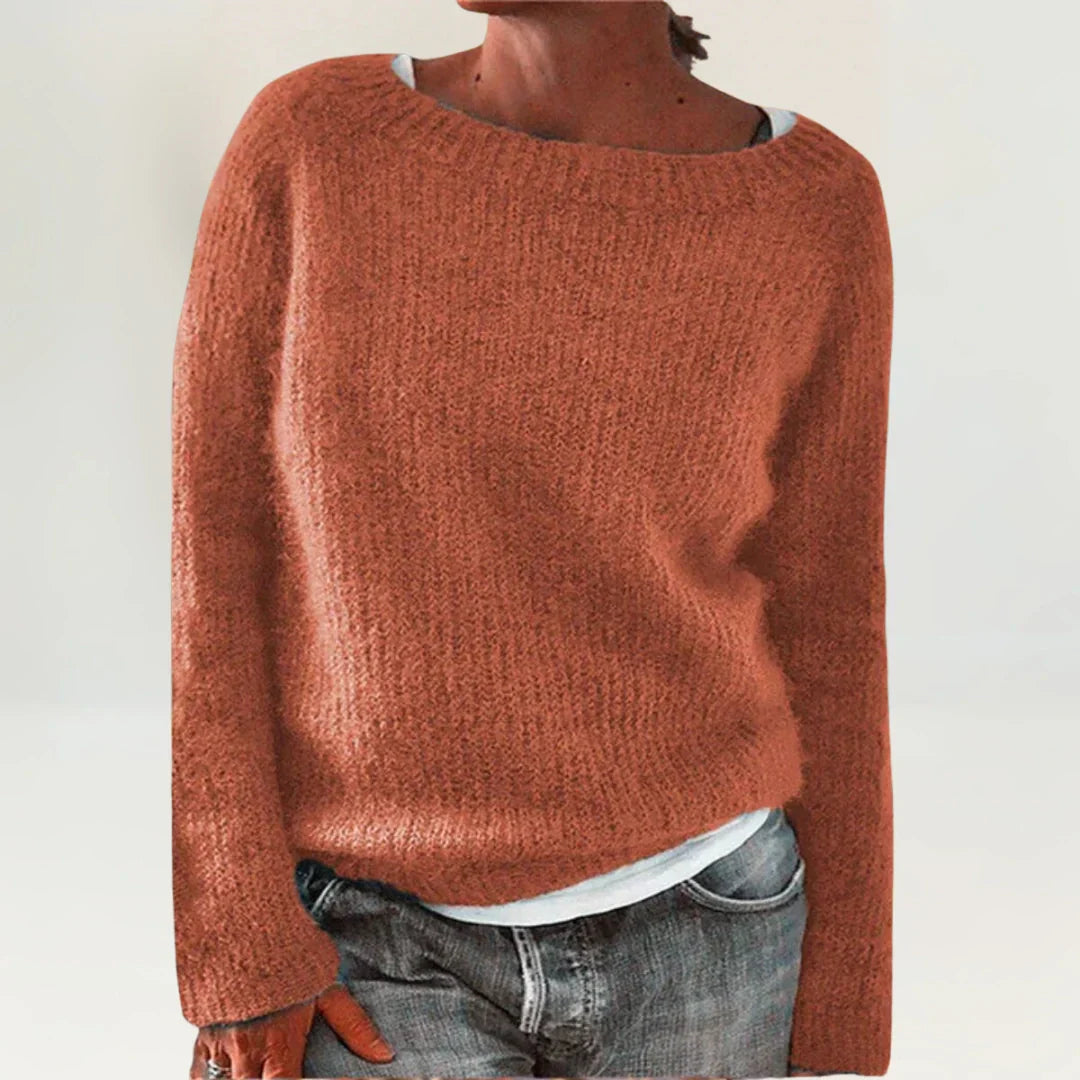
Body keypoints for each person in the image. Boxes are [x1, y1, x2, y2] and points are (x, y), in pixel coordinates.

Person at [170, 2, 894, 1078]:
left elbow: (829, 604)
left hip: (716, 931)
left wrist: (844, 1012)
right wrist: (237, 949)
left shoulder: (813, 204)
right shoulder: (315, 140)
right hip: (372, 937)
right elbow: (216, 553)